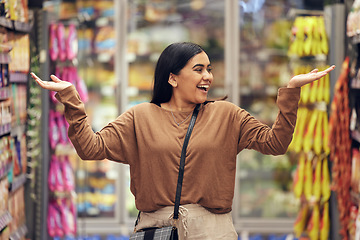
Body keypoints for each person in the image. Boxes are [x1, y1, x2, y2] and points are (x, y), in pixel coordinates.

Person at [31, 42, 335, 239]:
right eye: (198, 69)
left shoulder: (226, 115)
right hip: (156, 229)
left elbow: (275, 143)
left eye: (209, 70)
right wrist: (71, 100)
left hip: (213, 231)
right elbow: (91, 148)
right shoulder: (140, 117)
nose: (208, 77)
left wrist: (291, 92)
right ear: (173, 78)